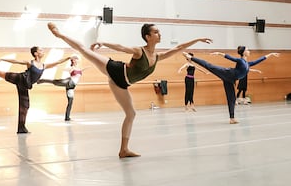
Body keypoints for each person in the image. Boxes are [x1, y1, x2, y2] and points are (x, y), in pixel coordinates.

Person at [47, 22, 212, 158]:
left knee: (131, 113)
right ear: (148, 36)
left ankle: (123, 150)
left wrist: (198, 39)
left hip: (121, 84)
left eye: (159, 32)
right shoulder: (140, 51)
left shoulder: (158, 57)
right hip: (115, 70)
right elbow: (121, 47)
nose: (159, 34)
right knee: (85, 50)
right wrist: (104, 43)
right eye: (155, 32)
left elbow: (180, 47)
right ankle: (59, 34)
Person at [0, 47, 71, 134]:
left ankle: (21, 128)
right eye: (41, 50)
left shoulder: (44, 65)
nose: (43, 51)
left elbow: (57, 62)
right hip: (20, 78)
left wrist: (68, 58)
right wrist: (2, 59)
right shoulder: (30, 63)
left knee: (25, 106)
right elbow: (16, 61)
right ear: (36, 53)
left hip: (25, 85)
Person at [183, 47, 279, 124]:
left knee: (232, 98)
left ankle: (232, 118)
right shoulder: (241, 61)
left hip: (230, 79)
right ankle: (191, 57)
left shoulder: (247, 64)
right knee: (209, 66)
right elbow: (230, 58)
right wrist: (220, 53)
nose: (249, 51)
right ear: (244, 52)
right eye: (247, 50)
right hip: (227, 73)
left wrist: (270, 54)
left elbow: (259, 60)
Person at [38, 55, 89, 121]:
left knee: (70, 102)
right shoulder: (71, 68)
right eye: (75, 59)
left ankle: (67, 117)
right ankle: (42, 80)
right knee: (56, 82)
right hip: (69, 82)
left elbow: (81, 70)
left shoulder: (79, 68)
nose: (76, 60)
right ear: (73, 61)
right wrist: (56, 66)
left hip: (72, 86)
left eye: (76, 59)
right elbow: (62, 68)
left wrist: (87, 67)